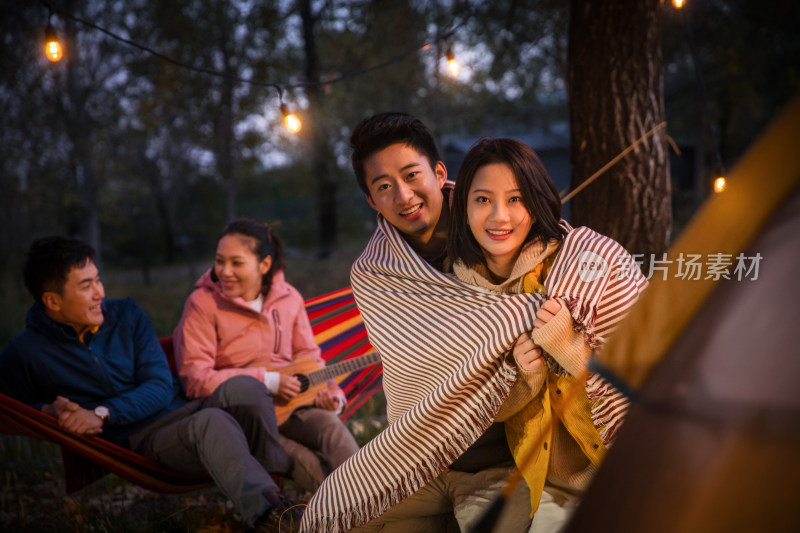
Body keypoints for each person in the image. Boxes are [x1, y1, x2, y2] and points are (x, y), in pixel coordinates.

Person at [0, 236, 296, 530]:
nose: (99, 293)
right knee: (213, 421)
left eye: (98, 280)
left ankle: (274, 490)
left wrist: (102, 412)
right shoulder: (26, 353)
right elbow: (13, 410)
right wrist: (48, 412)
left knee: (249, 387)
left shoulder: (125, 315)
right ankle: (273, 517)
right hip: (147, 439)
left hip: (187, 405)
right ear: (52, 300)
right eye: (85, 286)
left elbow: (159, 385)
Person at [448, 137, 645, 532]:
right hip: (556, 487)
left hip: (632, 470)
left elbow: (654, 372)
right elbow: (486, 410)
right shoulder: (466, 296)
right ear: (465, 210)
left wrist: (571, 350)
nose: (499, 216)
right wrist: (526, 377)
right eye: (483, 199)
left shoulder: (592, 262)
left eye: (516, 199)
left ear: (536, 202)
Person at [172, 218, 359, 495]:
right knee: (306, 462)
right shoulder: (202, 304)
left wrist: (332, 393)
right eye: (219, 261)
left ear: (265, 265)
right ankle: (356, 513)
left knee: (332, 428)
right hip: (243, 417)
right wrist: (267, 380)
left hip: (293, 406)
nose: (224, 272)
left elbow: (308, 355)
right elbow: (196, 380)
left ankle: (383, 501)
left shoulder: (289, 298)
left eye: (236, 263)